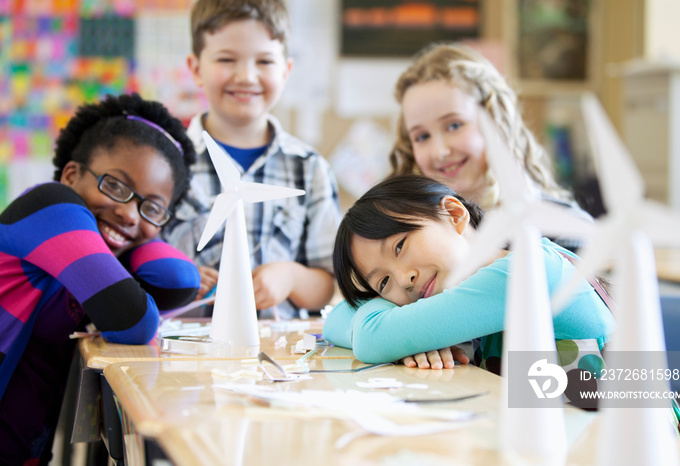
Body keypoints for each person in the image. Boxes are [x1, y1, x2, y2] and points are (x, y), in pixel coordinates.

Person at [0, 93, 200, 464]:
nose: (128, 213)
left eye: (152, 207)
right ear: (71, 175)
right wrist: (138, 238)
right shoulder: (51, 206)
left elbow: (179, 279)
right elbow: (132, 320)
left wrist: (141, 242)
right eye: (115, 186)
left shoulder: (100, 253)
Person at [322, 175, 615, 373]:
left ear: (454, 215)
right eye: (382, 282)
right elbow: (335, 319)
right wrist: (404, 336)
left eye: (400, 246)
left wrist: (398, 335)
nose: (403, 279)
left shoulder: (521, 272)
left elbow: (371, 338)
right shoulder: (480, 280)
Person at [161, 0, 341, 319]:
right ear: (196, 68)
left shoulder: (309, 168)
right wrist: (174, 275)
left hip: (280, 357)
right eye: (227, 59)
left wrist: (291, 277)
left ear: (286, 71)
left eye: (264, 61)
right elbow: (135, 261)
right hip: (185, 351)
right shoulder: (166, 162)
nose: (246, 76)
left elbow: (327, 283)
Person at [390, 42, 591, 251]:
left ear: (496, 119)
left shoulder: (565, 230)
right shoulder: (406, 242)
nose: (440, 151)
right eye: (422, 136)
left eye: (454, 125)